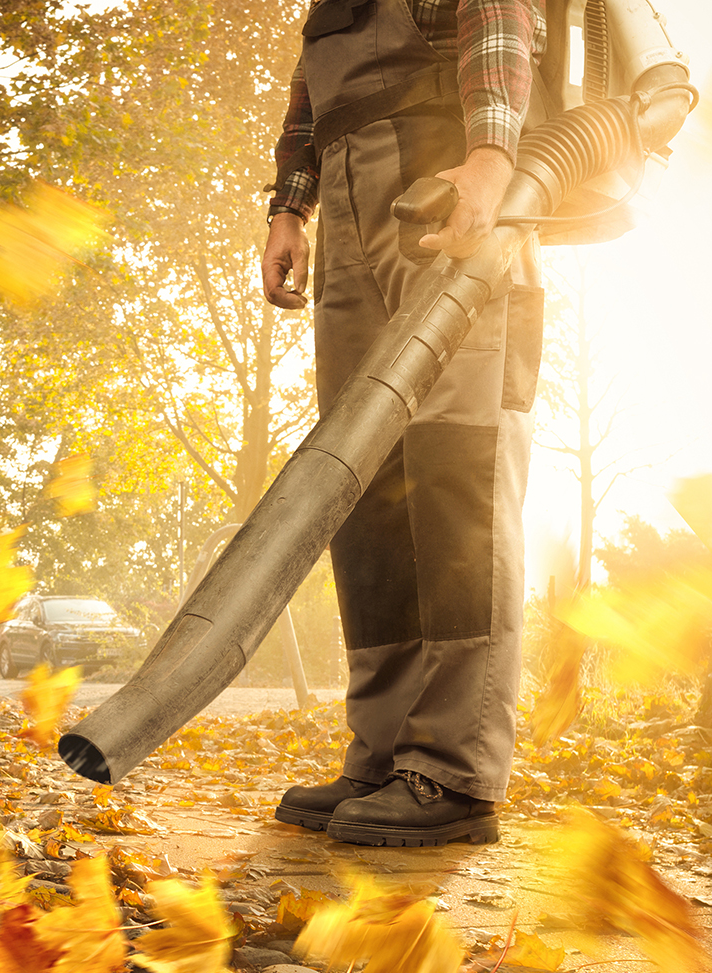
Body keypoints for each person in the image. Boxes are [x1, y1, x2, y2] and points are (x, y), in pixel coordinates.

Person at [267, 0, 546, 848]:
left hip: (445, 176)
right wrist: (291, 205)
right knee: (366, 488)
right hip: (351, 187)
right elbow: (310, 88)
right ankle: (386, 750)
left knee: (456, 468)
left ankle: (454, 769)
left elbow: (499, 13)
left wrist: (493, 157)